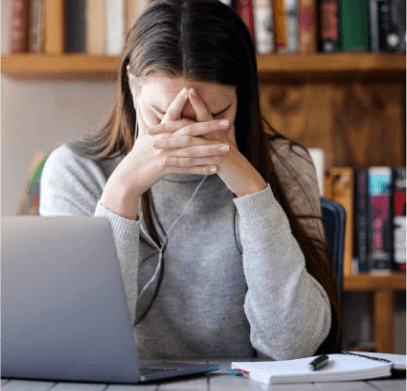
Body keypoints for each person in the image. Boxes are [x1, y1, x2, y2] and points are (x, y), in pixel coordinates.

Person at [40, 0, 341, 360]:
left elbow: (292, 346)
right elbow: (83, 344)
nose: (188, 132)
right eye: (160, 114)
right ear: (133, 87)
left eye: (213, 115)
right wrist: (122, 193)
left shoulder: (286, 165)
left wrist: (252, 190)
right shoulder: (74, 171)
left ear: (242, 99)